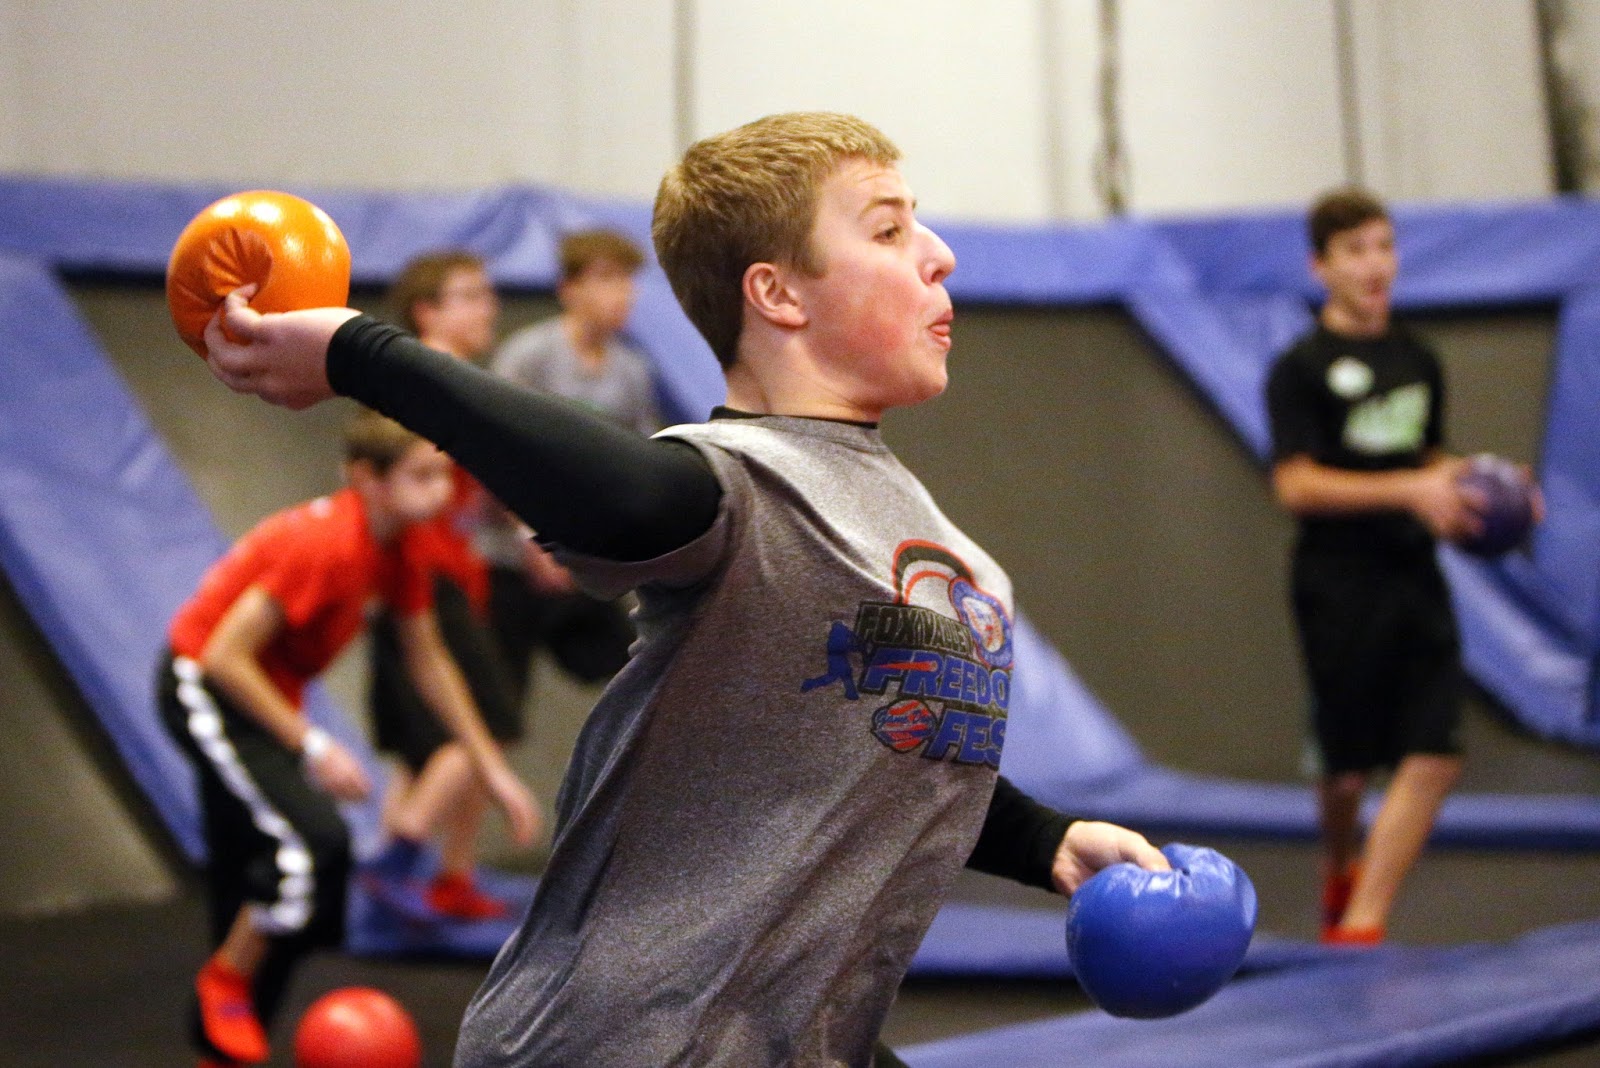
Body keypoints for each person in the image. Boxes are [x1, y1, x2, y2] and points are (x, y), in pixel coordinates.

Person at [197, 111, 1172, 1067]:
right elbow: (628, 497)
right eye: (888, 230)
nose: (940, 255)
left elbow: (876, 753)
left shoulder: (931, 537)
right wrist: (357, 353)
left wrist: (1045, 841)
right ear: (777, 294)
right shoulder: (741, 480)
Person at [159, 410, 539, 1067]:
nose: (441, 492)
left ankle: (222, 1048)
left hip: (262, 697)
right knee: (312, 848)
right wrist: (313, 745)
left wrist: (492, 771)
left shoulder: (401, 548)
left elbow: (430, 660)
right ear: (368, 479)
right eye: (421, 476)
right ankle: (224, 981)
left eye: (443, 475)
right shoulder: (325, 543)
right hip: (205, 686)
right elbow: (223, 656)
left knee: (259, 879)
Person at [1266, 187, 1516, 945]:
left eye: (1384, 246)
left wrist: (1487, 486)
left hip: (1414, 575)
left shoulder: (1417, 357)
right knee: (1347, 771)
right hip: (1338, 585)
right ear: (1320, 267)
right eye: (1354, 251)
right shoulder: (1300, 369)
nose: (1375, 265)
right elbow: (1296, 485)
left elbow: (1428, 456)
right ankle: (1337, 864)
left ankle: (1362, 923)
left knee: (1435, 752)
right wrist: (1411, 488)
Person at [365, 250, 534, 920]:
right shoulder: (424, 382)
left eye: (487, 293)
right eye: (470, 295)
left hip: (444, 569)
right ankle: (397, 859)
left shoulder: (442, 380)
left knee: (424, 745)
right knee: (482, 726)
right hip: (429, 573)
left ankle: (443, 877)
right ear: (427, 311)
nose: (488, 306)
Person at [479, 229, 656, 712]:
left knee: (636, 682)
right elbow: (493, 448)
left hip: (582, 563)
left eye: (627, 280)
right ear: (569, 289)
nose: (622, 293)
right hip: (510, 561)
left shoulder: (631, 371)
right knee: (498, 709)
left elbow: (638, 462)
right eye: (606, 278)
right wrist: (528, 537)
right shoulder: (529, 355)